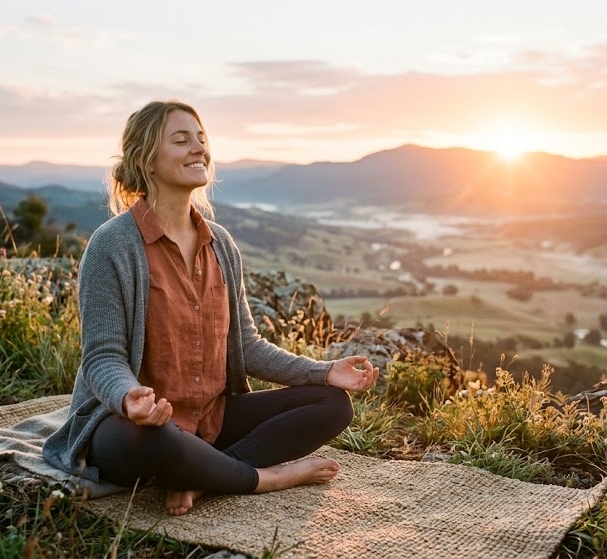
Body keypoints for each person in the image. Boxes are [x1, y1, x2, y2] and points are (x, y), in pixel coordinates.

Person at [42, 99, 378, 516]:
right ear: (147, 159)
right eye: (181, 140)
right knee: (160, 442)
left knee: (331, 404)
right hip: (137, 426)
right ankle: (262, 478)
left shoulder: (220, 244)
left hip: (210, 419)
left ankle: (203, 476)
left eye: (201, 139)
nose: (199, 148)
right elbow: (102, 357)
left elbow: (248, 346)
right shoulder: (111, 245)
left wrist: (323, 371)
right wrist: (130, 399)